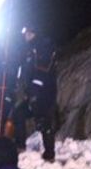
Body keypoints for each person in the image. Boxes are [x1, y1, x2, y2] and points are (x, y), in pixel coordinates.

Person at [9, 24, 58, 161]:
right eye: (24, 34)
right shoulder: (29, 50)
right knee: (18, 114)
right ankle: (20, 145)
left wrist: (36, 88)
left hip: (44, 92)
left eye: (29, 33)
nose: (26, 36)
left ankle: (49, 153)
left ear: (35, 32)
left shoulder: (43, 45)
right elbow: (25, 71)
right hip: (32, 93)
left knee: (44, 120)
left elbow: (45, 68)